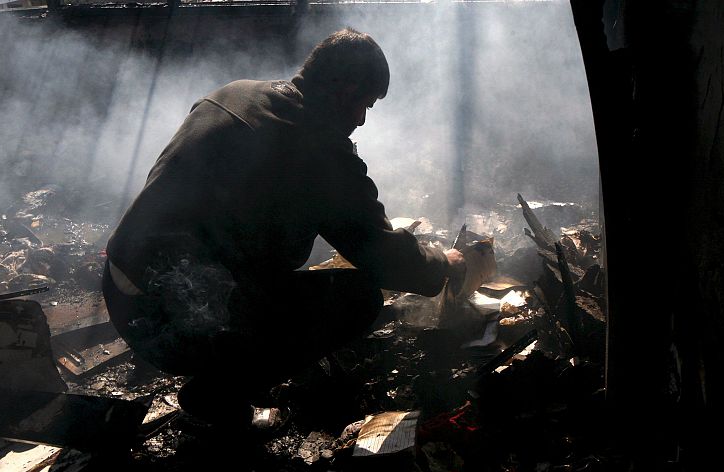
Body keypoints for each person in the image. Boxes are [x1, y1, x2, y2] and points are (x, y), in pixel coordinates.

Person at [101, 27, 468, 430]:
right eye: (365, 105)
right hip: (167, 323)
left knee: (287, 269)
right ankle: (218, 394)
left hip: (120, 289)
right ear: (345, 89)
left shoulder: (233, 94)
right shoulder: (318, 151)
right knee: (358, 298)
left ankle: (219, 371)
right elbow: (382, 255)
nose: (362, 121)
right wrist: (443, 263)